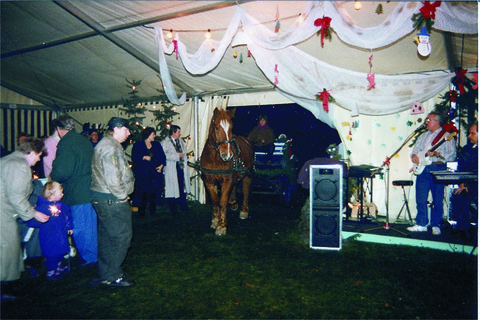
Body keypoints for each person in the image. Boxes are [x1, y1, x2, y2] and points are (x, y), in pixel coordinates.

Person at [0, 137, 50, 300]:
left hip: (5, 211)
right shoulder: (19, 166)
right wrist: (33, 213)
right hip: (3, 214)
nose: (38, 160)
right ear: (31, 152)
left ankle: (10, 283)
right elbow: (16, 196)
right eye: (39, 155)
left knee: (9, 248)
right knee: (7, 249)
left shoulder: (8, 160)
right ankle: (6, 288)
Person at [91, 117, 135, 287]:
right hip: (111, 200)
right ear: (116, 129)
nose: (129, 133)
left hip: (104, 198)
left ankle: (106, 274)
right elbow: (112, 178)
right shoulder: (110, 147)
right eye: (126, 129)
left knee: (107, 238)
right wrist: (122, 195)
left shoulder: (107, 144)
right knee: (122, 236)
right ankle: (114, 275)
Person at [50, 115, 97, 265]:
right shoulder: (84, 140)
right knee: (89, 227)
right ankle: (92, 255)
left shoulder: (66, 144)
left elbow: (63, 171)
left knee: (81, 228)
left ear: (58, 129)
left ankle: (90, 258)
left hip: (76, 192)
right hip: (88, 189)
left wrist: (53, 174)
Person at [408, 111, 457, 235]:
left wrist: (437, 154)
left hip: (437, 169)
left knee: (438, 198)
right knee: (421, 197)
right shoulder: (423, 136)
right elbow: (416, 150)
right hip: (423, 169)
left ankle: (436, 224)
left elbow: (451, 155)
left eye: (429, 119)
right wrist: (414, 156)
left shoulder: (446, 136)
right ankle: (421, 223)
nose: (426, 122)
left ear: (437, 122)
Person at [27, 181, 73, 280]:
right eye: (60, 193)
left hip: (60, 234)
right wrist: (31, 220)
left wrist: (69, 226)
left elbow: (68, 215)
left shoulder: (63, 205)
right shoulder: (42, 207)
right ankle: (51, 270)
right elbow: (34, 220)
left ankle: (58, 266)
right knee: (51, 253)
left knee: (61, 250)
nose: (62, 194)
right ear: (51, 194)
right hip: (48, 235)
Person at [132, 127, 166, 216]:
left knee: (154, 192)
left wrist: (161, 166)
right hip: (143, 173)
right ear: (148, 135)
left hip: (154, 172)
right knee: (143, 192)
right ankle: (142, 210)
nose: (154, 136)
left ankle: (152, 210)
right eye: (153, 134)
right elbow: (134, 157)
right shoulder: (138, 145)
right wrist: (143, 157)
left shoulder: (157, 144)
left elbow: (162, 157)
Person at [450, 122, 478, 231]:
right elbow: (461, 168)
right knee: (458, 197)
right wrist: (462, 184)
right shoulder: (467, 149)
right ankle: (464, 230)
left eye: (472, 133)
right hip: (470, 185)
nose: (469, 136)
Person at [161, 125, 190, 213]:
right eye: (178, 132)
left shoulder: (180, 141)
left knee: (182, 185)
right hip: (171, 167)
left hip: (180, 167)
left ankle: (182, 204)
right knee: (172, 188)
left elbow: (184, 152)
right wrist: (177, 156)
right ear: (173, 133)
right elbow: (164, 155)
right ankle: (173, 207)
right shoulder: (165, 142)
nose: (179, 134)